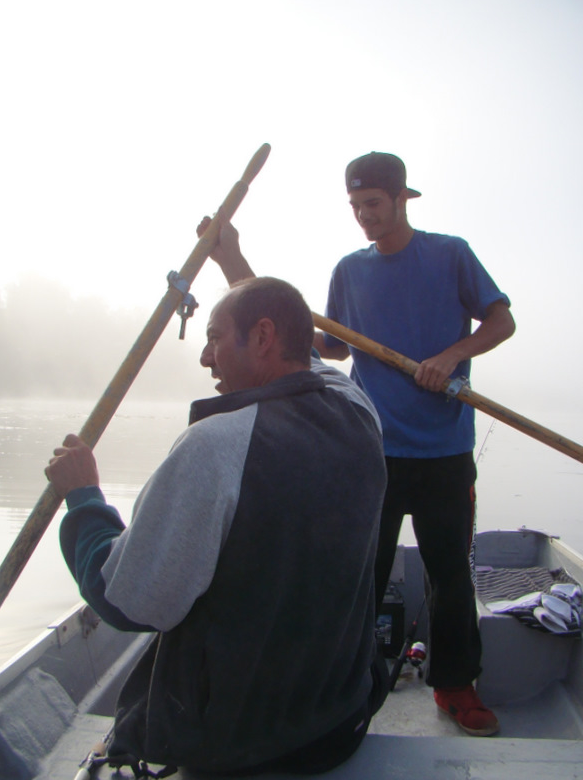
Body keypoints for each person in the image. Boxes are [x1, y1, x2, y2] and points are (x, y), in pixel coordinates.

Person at [45, 269, 388, 774]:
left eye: (214, 338)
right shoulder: (359, 410)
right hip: (341, 724)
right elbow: (303, 353)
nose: (206, 358)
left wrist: (84, 497)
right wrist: (231, 258)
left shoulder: (214, 447)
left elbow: (123, 598)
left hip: (240, 748)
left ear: (265, 337)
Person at [313, 152, 516, 737]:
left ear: (404, 199)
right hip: (369, 449)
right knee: (362, 573)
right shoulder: (349, 271)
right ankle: (347, 684)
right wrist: (301, 330)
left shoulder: (450, 254)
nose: (364, 217)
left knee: (450, 573)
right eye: (355, 207)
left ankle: (455, 686)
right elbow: (335, 349)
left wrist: (452, 355)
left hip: (444, 451)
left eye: (373, 204)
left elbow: (501, 322)